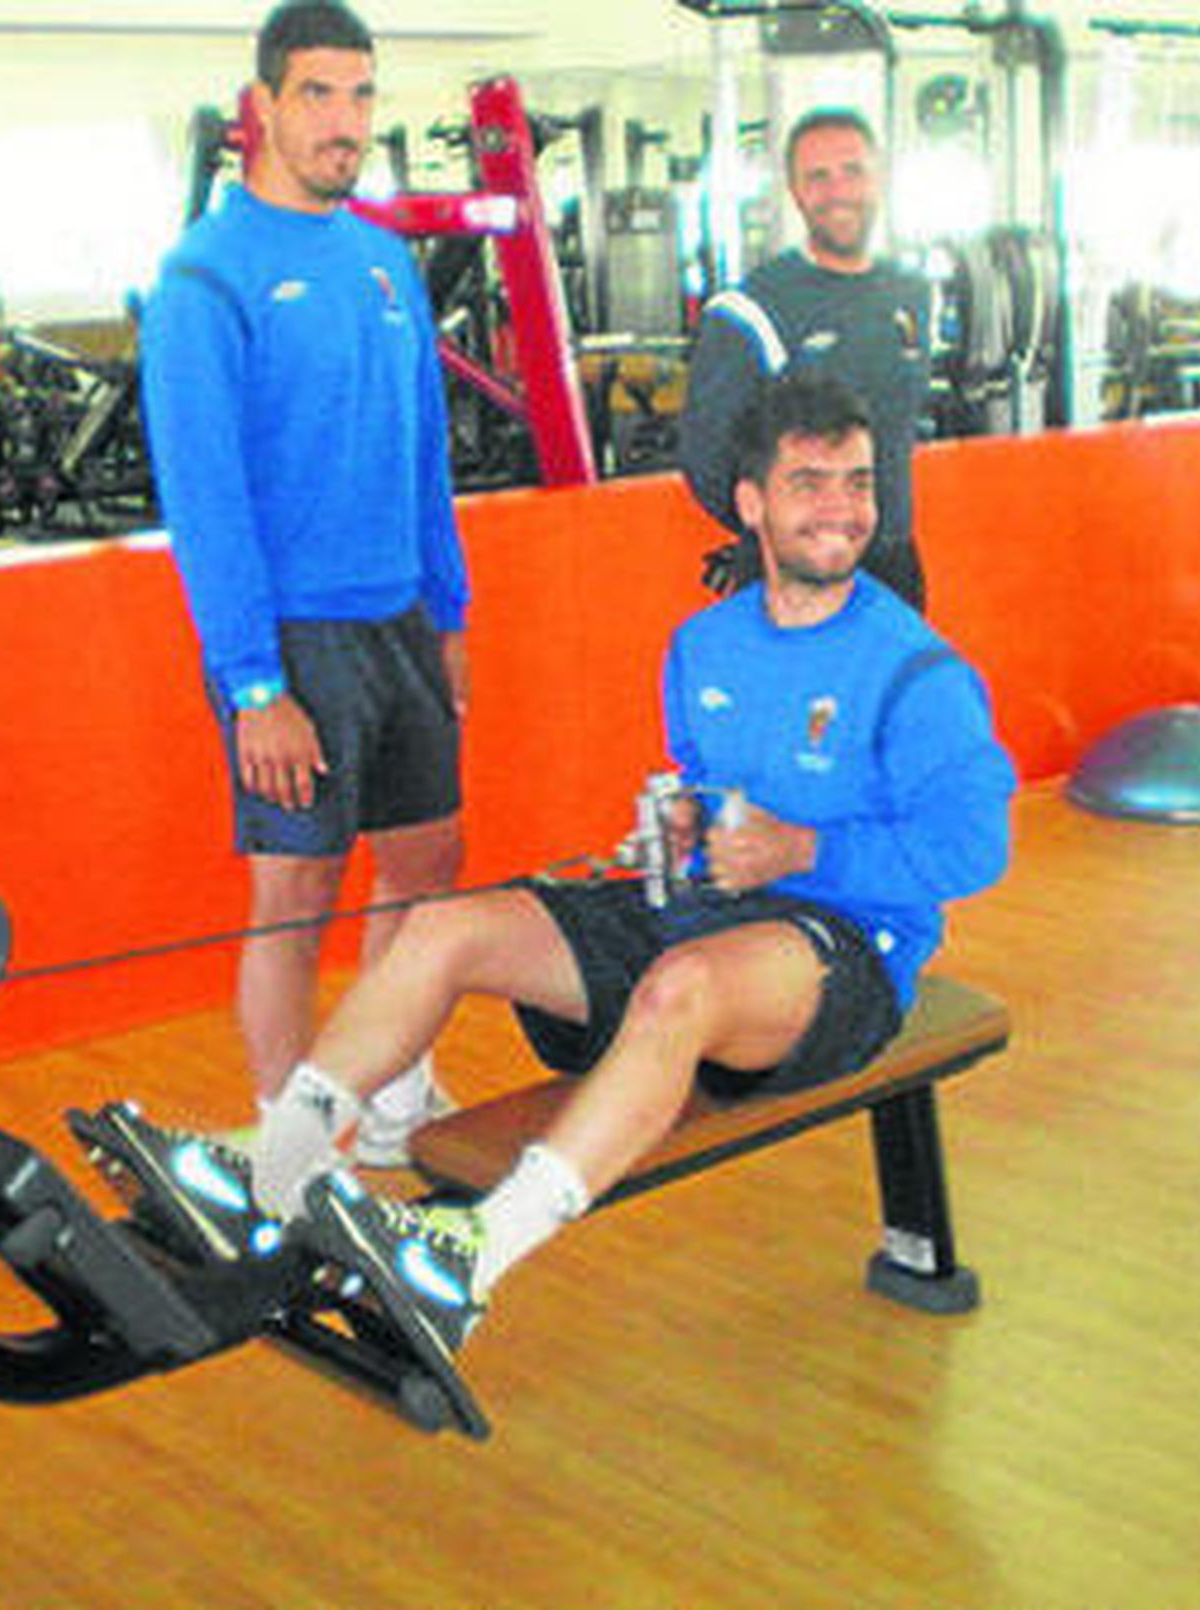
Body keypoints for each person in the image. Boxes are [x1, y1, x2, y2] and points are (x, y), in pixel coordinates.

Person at [78, 372, 1015, 1375]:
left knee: (679, 989)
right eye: (810, 481)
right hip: (708, 914)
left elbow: (975, 845)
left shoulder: (917, 670)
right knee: (443, 925)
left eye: (855, 482)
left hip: (843, 957)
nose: (839, 507)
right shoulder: (704, 644)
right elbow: (705, 796)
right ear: (751, 500)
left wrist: (805, 851)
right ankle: (274, 1160)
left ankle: (469, 1256)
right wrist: (679, 832)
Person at [137, 1, 470, 1166]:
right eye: (319, 95)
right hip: (290, 637)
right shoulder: (205, 277)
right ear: (263, 109)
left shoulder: (383, 263)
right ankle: (288, 1145)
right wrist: (250, 684)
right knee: (296, 891)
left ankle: (385, 1084)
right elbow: (205, 502)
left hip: (398, 621)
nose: (345, 121)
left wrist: (451, 611)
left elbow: (425, 454)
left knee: (430, 866)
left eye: (361, 95)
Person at [680, 107, 931, 611]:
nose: (837, 191)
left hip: (890, 567)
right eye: (818, 177)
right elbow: (706, 462)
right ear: (794, 192)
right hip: (796, 576)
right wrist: (792, 536)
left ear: (879, 180)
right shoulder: (751, 309)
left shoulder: (910, 293)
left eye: (852, 171)